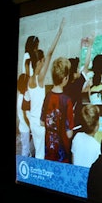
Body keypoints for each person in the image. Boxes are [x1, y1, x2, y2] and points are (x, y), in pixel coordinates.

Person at [26, 18, 65, 159]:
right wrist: (59, 33)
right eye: (43, 61)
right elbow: (49, 53)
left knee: (38, 149)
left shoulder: (30, 79)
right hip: (39, 122)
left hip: (33, 121)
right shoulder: (39, 79)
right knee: (42, 153)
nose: (44, 63)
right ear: (40, 62)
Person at [41, 57, 74, 163]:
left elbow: (42, 122)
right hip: (62, 152)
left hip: (48, 148)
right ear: (65, 78)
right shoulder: (67, 101)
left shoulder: (47, 96)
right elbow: (69, 134)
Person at [65, 36, 94, 131]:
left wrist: (81, 47)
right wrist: (90, 45)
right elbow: (86, 64)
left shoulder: (66, 84)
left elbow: (80, 64)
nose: (79, 70)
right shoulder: (78, 83)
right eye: (77, 69)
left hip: (66, 124)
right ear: (73, 74)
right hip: (76, 123)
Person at [17, 68, 32, 157]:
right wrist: (31, 126)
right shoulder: (23, 98)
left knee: (26, 147)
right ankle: (24, 162)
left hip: (24, 126)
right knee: (25, 148)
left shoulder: (22, 95)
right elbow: (26, 116)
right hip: (25, 127)